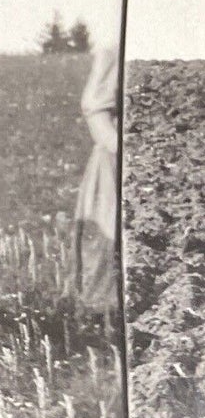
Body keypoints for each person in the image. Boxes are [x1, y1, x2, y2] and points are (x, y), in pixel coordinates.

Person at [73, 43, 121, 315]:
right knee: (106, 237)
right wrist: (121, 149)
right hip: (119, 161)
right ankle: (102, 320)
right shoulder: (114, 48)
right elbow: (95, 108)